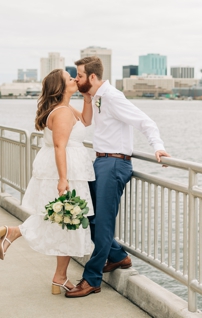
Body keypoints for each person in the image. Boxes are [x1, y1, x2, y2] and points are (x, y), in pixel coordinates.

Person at [64, 56, 170, 298]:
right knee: (87, 215)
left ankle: (92, 279)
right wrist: (86, 99)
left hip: (114, 163)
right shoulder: (98, 97)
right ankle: (119, 256)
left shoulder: (112, 97)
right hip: (101, 161)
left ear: (92, 76)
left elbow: (145, 122)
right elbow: (88, 122)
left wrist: (158, 146)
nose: (76, 79)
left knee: (102, 223)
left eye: (79, 75)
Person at [0, 69, 95, 295]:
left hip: (69, 171)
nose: (75, 80)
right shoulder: (62, 113)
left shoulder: (67, 109)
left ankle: (59, 276)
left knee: (65, 222)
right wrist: (63, 179)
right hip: (65, 173)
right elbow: (60, 146)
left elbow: (86, 121)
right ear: (60, 87)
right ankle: (15, 232)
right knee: (67, 220)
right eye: (70, 79)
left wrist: (87, 98)